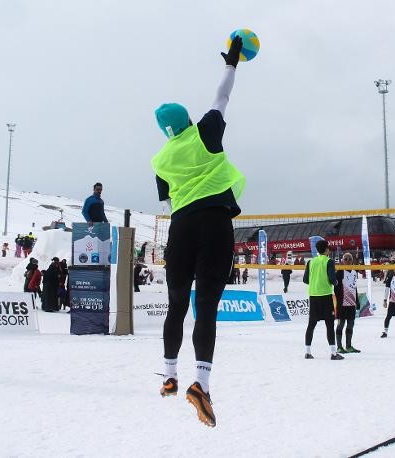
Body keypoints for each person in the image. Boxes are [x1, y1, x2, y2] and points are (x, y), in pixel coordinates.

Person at [152, 35, 247, 428]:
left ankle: (170, 375)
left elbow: (167, 204)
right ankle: (201, 385)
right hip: (213, 221)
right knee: (205, 305)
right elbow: (221, 98)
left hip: (181, 226)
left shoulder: (160, 160)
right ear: (186, 120)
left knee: (176, 303)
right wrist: (231, 64)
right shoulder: (204, 131)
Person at [303, 239, 344, 361]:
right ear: (326, 249)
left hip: (313, 296)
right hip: (325, 296)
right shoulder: (329, 261)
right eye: (328, 248)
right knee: (329, 325)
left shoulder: (310, 262)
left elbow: (305, 280)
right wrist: (336, 281)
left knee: (311, 325)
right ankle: (333, 353)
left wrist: (316, 281)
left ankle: (307, 352)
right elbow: (332, 279)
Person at [334, 253, 360, 353]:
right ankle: (339, 347)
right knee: (341, 325)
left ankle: (349, 346)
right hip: (342, 304)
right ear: (342, 260)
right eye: (346, 258)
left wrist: (357, 300)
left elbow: (354, 287)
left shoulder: (354, 272)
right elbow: (336, 289)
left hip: (351, 304)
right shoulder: (340, 272)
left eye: (350, 259)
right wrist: (340, 300)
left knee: (351, 325)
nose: (348, 260)